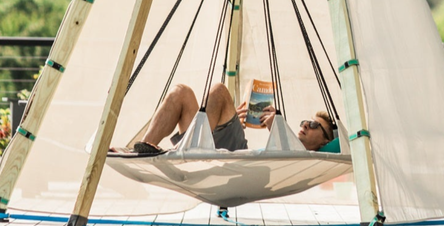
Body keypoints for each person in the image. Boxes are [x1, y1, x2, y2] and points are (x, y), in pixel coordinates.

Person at [131, 82, 336, 154]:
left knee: (219, 91)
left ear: (325, 141)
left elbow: (293, 158)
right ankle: (144, 147)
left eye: (314, 125)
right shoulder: (290, 140)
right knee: (180, 92)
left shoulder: (309, 157)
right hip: (213, 145)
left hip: (235, 155)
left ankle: (188, 146)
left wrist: (277, 128)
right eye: (305, 122)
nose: (306, 126)